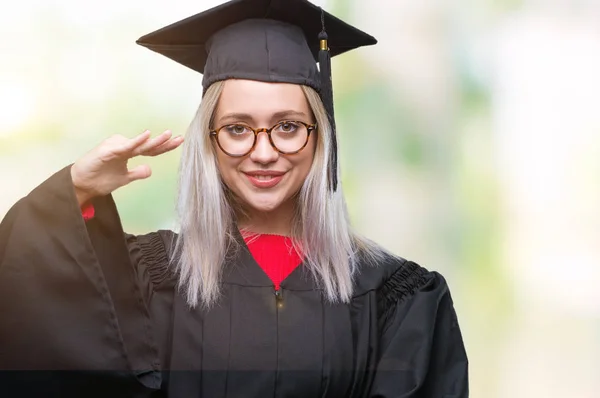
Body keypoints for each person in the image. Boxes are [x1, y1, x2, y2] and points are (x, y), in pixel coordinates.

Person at [0, 0, 469, 397]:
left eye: (287, 127)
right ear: (208, 140)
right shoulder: (148, 280)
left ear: (320, 137)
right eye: (237, 129)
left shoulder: (393, 296)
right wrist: (75, 191)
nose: (263, 153)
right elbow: (35, 307)